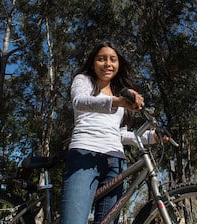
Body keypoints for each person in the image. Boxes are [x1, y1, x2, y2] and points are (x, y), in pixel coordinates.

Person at [60, 42, 161, 224]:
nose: (108, 64)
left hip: (115, 162)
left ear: (118, 64)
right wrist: (116, 102)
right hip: (84, 154)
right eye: (101, 59)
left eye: (113, 60)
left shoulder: (118, 93)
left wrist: (151, 138)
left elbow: (120, 134)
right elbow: (79, 101)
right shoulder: (84, 81)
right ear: (93, 63)